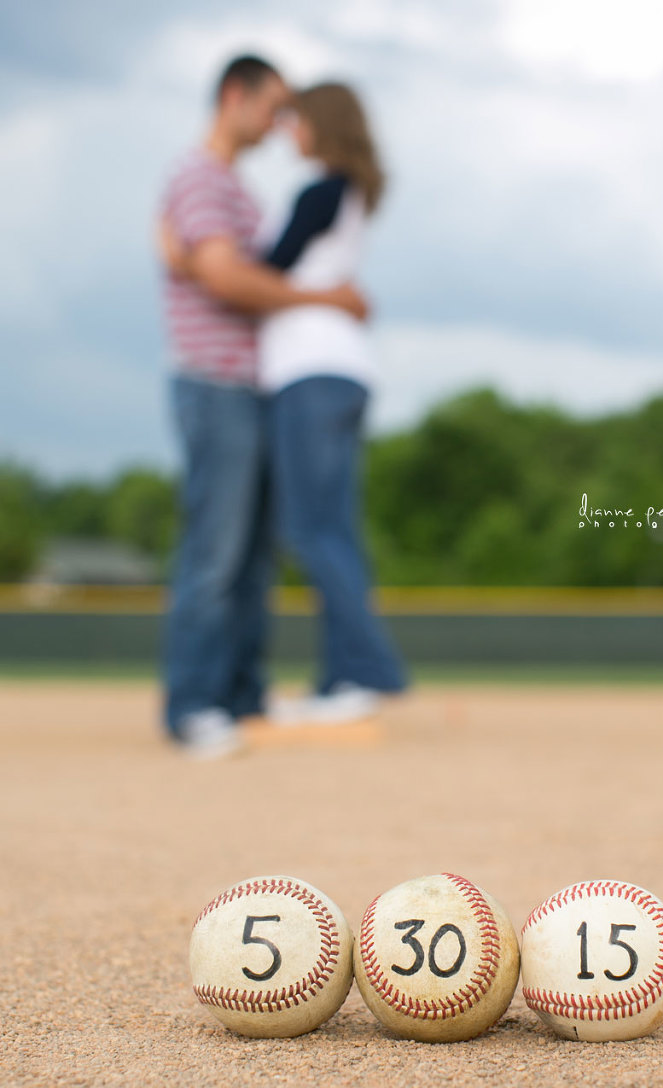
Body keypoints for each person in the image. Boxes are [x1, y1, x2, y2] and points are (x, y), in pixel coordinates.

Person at [158, 56, 367, 757]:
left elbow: (241, 271)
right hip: (215, 381)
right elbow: (228, 279)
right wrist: (329, 299)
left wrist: (203, 265)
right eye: (273, 107)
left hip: (257, 387)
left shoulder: (238, 189)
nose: (281, 123)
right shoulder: (199, 176)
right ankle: (193, 705)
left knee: (252, 559)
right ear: (233, 95)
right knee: (216, 552)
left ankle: (240, 695)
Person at [258, 83, 407, 723]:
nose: (289, 132)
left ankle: (367, 669)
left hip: (310, 370)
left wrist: (195, 256)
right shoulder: (350, 194)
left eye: (296, 121)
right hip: (345, 370)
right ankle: (343, 679)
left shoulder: (320, 191)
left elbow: (265, 270)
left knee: (309, 529)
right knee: (334, 532)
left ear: (320, 123)